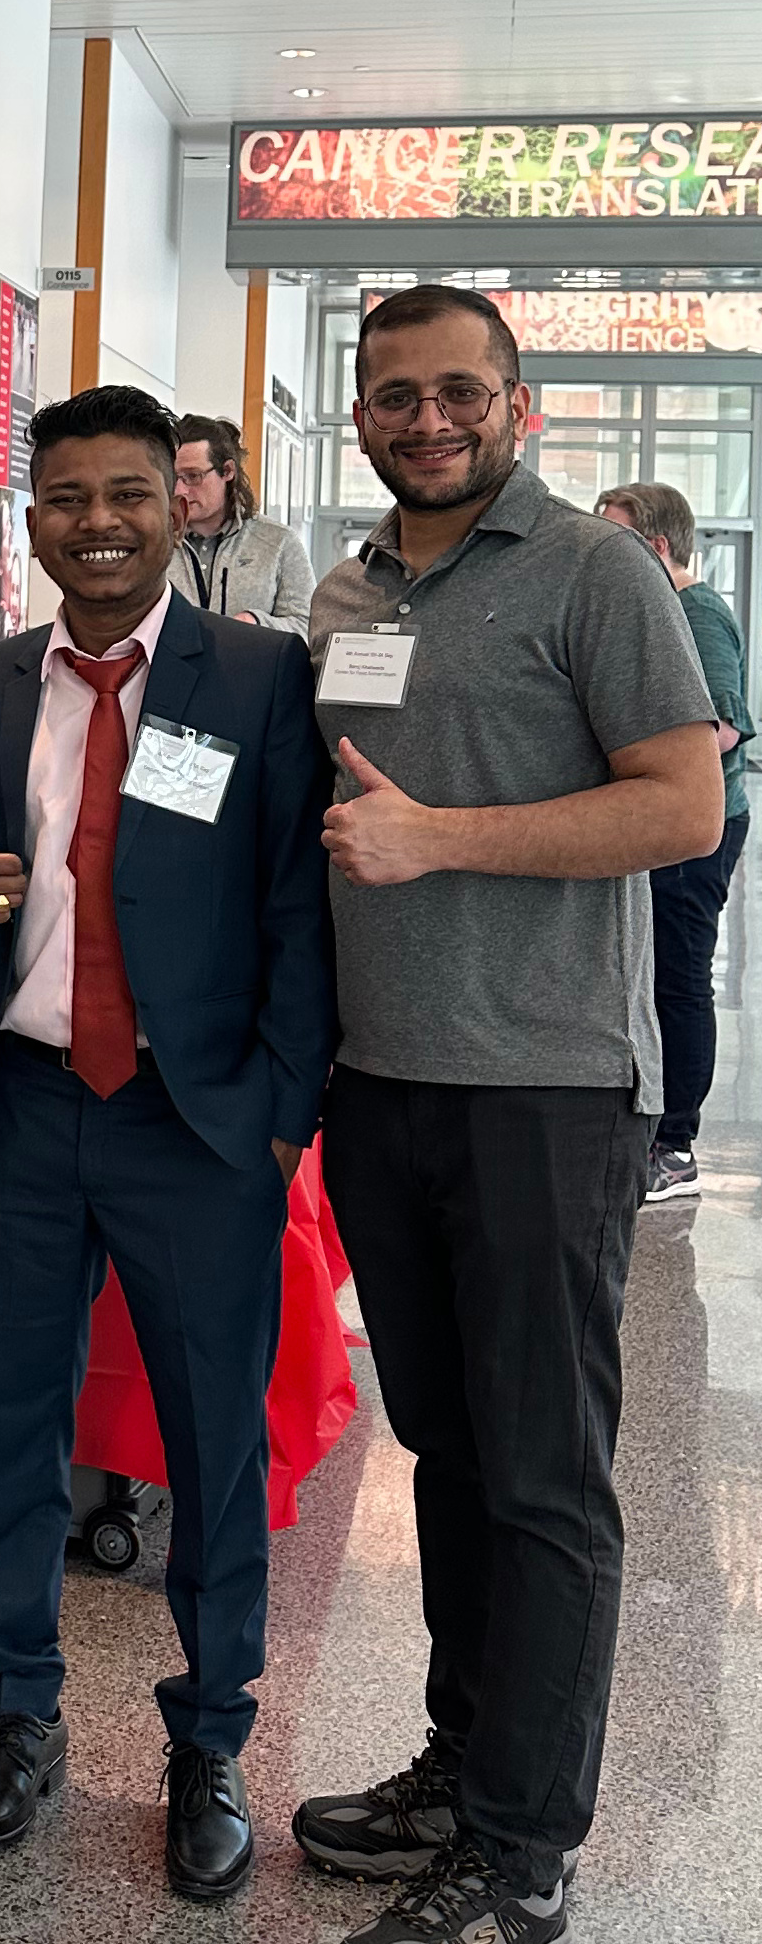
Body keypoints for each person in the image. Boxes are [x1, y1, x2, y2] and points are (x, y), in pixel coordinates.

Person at [296, 284, 720, 1944]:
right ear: (358, 411)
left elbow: (681, 804)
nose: (425, 417)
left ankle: (526, 1840)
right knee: (450, 1451)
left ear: (515, 400)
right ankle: (461, 1763)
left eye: (455, 390)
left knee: (543, 1474)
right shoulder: (348, 587)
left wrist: (446, 839)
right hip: (381, 1088)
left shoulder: (592, 568)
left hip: (542, 1089)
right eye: (392, 392)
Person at [0, 386, 335, 1900]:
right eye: (63, 500)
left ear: (179, 502)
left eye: (124, 495)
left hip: (195, 1120)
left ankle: (210, 1738)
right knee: (10, 1432)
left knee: (211, 1446)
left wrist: (279, 1115)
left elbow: (297, 902)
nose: (93, 524)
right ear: (27, 520)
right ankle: (15, 1717)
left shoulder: (261, 675)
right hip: (26, 1104)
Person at [595, 480, 752, 1202]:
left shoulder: (698, 613)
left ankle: (678, 1149)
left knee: (680, 980)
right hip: (659, 821)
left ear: (655, 547)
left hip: (699, 825)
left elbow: (724, 723)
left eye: (615, 540)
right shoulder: (657, 609)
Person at [164, 414, 313, 636]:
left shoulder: (279, 542)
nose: (179, 491)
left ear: (227, 471)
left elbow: (309, 627)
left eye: (193, 476)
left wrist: (255, 623)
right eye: (173, 477)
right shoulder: (155, 541)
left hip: (250, 667)